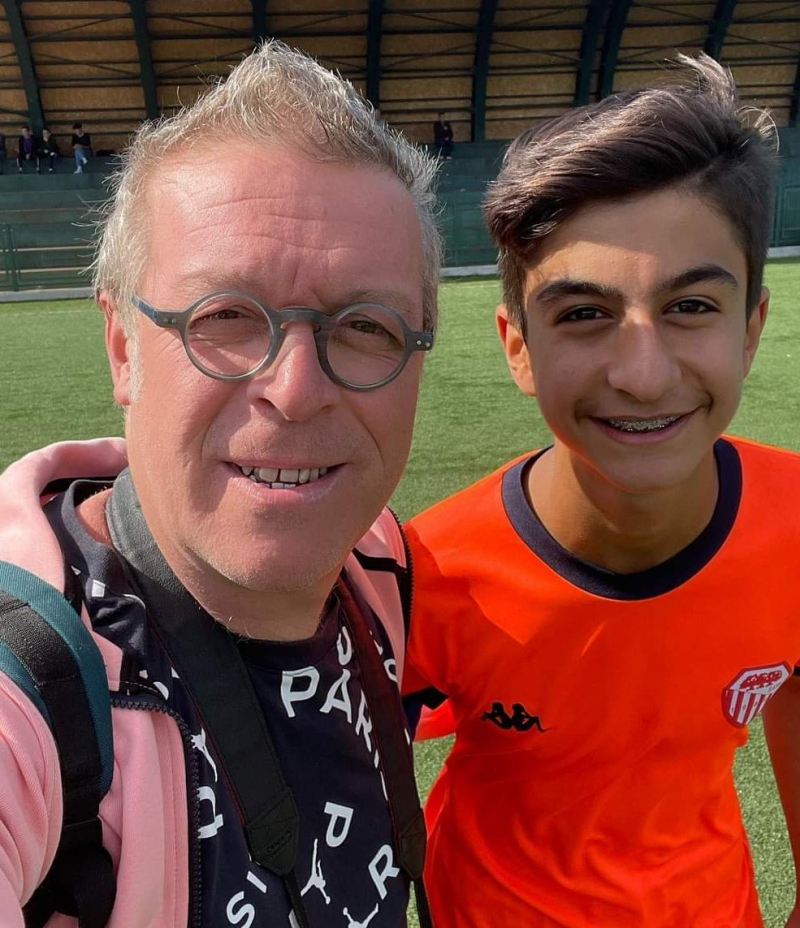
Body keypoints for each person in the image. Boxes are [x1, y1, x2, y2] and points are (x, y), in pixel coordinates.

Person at [0, 40, 440, 927]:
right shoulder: (34, 688)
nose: (296, 389)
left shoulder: (382, 565)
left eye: (366, 325)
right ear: (124, 348)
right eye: (228, 315)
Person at [404, 55, 800, 927]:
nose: (643, 375)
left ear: (751, 328)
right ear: (518, 347)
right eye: (584, 314)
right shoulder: (426, 574)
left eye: (691, 307)